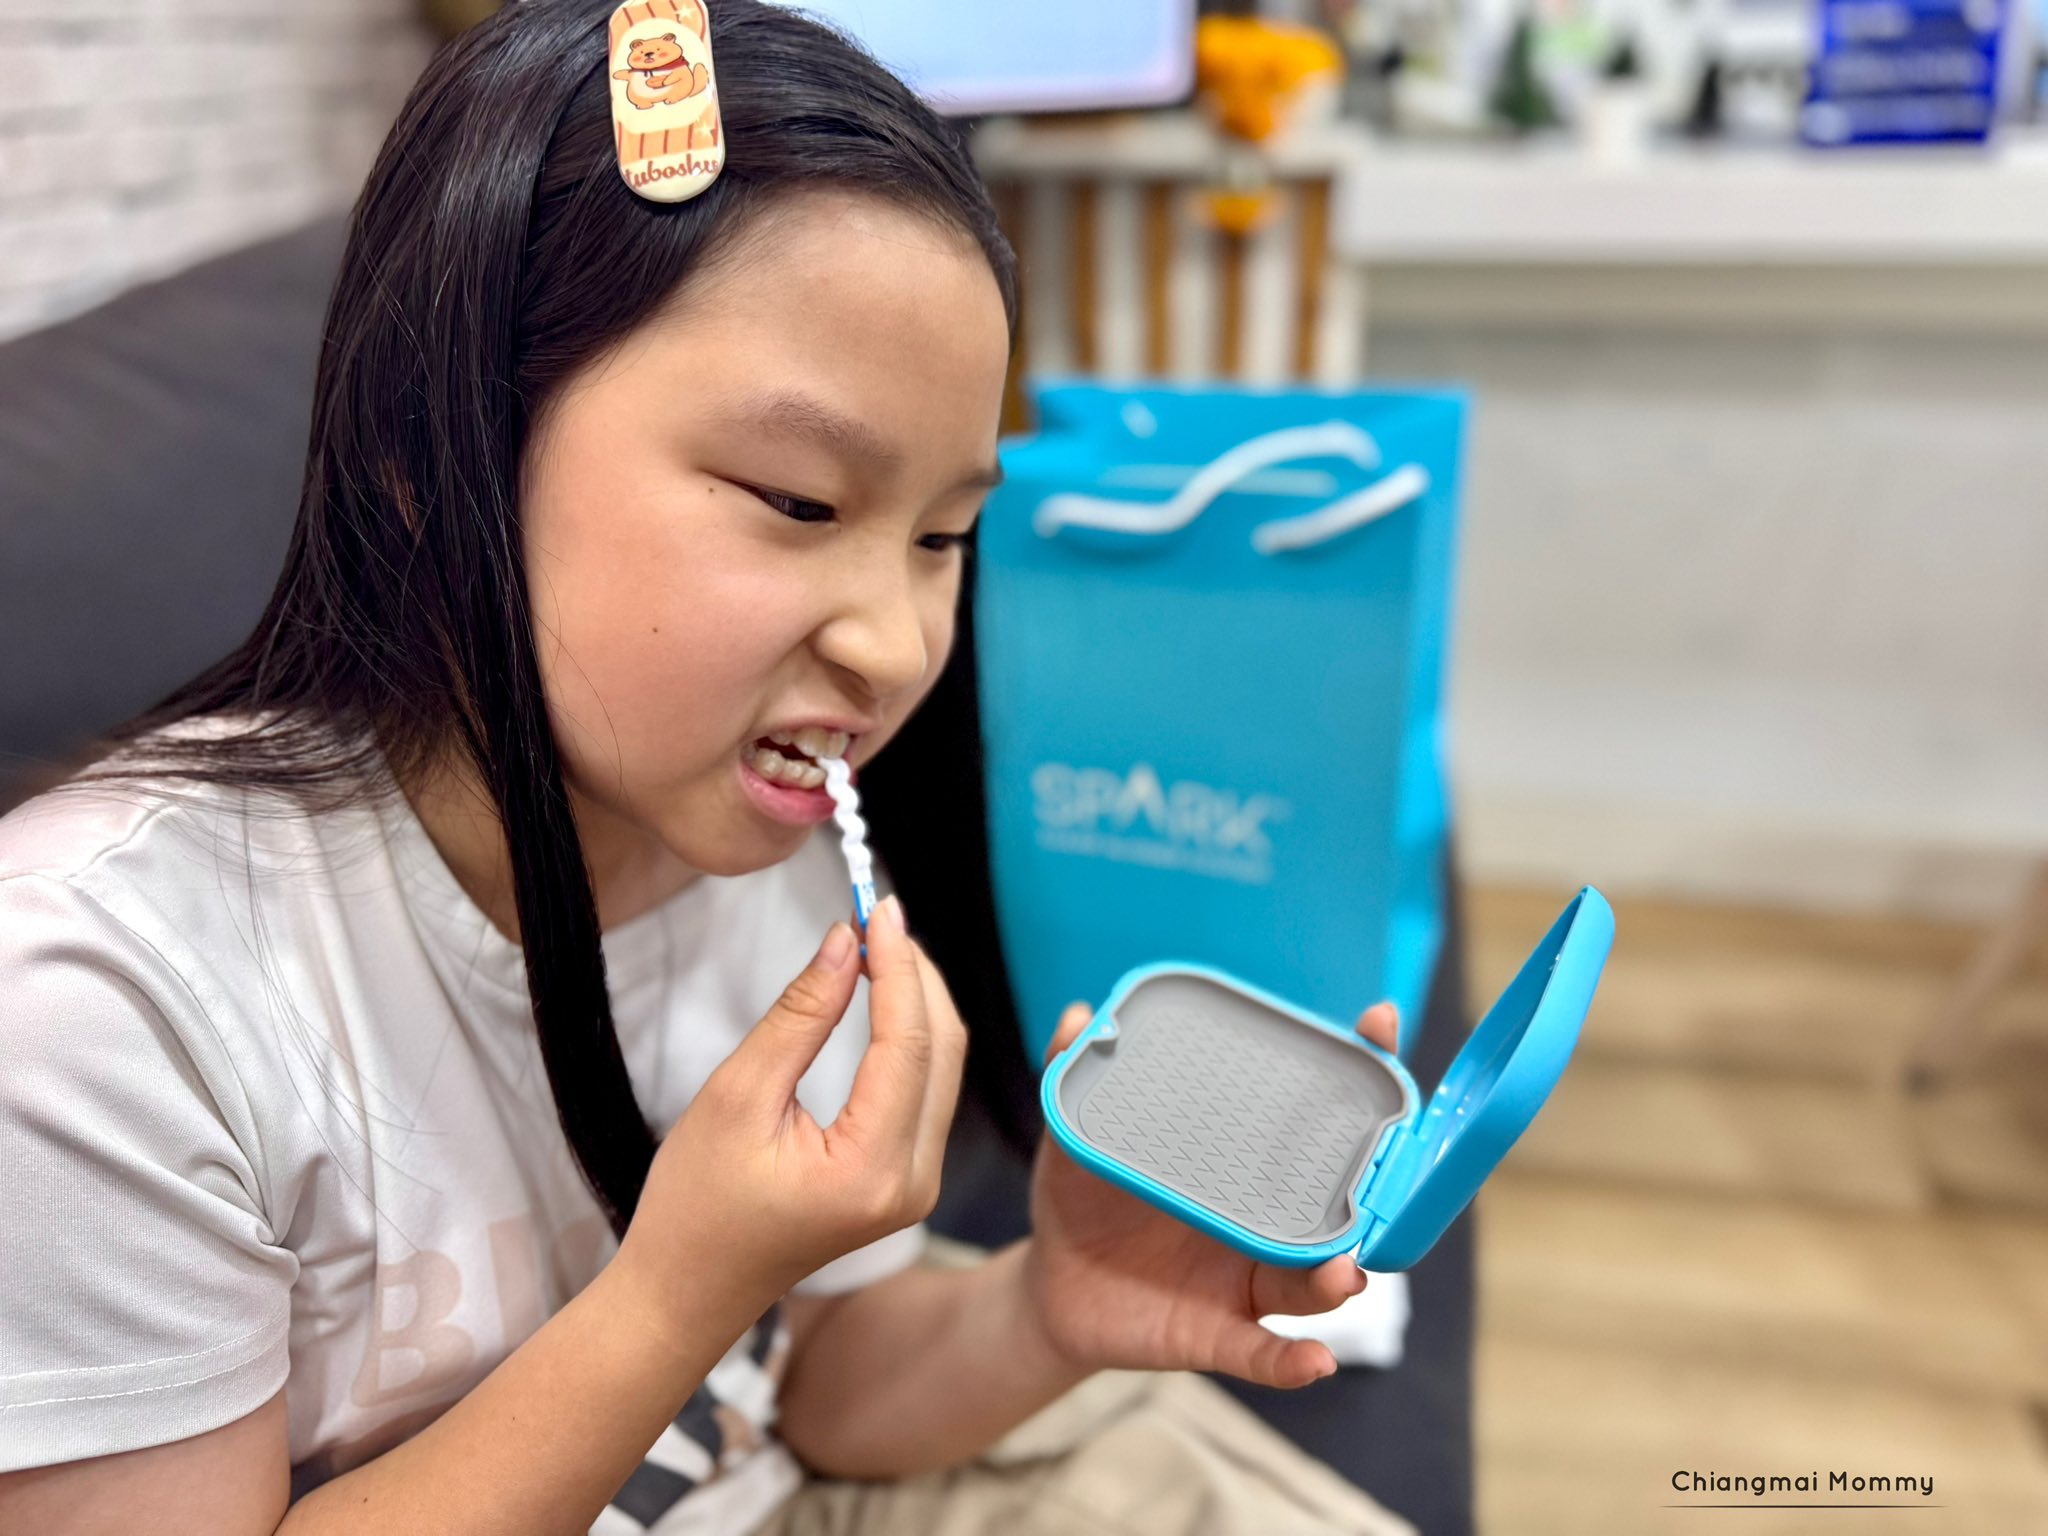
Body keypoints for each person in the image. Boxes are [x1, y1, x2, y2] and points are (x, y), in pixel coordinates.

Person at [0, 3, 1406, 1531]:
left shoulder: (754, 844)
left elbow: (801, 1389)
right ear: (435, 451)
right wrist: (674, 1293)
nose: (896, 646)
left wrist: (1043, 1310)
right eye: (799, 502)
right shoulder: (101, 1005)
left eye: (943, 534)